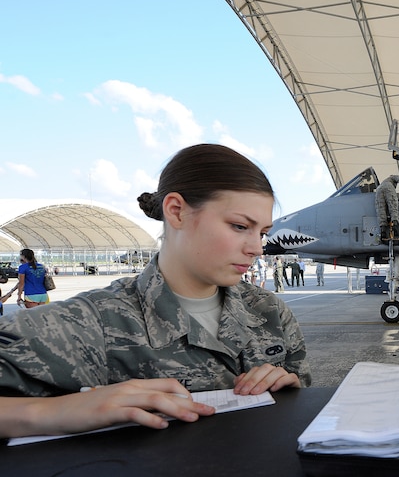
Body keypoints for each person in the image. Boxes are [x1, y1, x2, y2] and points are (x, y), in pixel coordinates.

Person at [0, 143, 311, 439]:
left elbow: (303, 398)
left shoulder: (268, 311)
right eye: (240, 226)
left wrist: (291, 387)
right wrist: (51, 410)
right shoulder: (93, 321)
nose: (256, 248)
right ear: (176, 211)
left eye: (263, 232)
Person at [375, 173, 399, 243]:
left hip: (379, 190)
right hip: (388, 187)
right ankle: (395, 227)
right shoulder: (392, 178)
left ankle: (383, 231)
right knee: (393, 207)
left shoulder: (383, 182)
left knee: (381, 210)